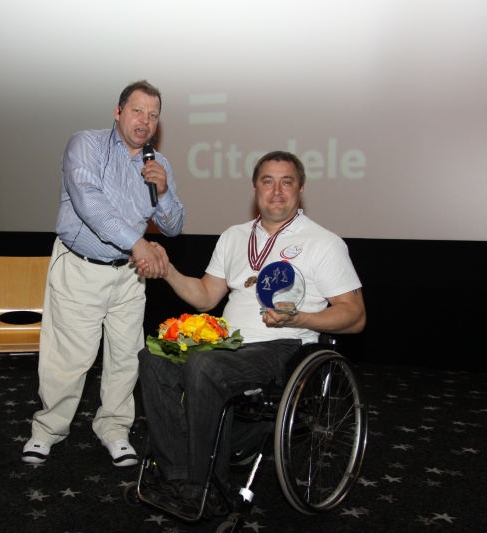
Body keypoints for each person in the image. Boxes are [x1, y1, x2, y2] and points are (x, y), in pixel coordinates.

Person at [135, 150, 365, 519]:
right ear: (255, 188)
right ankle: (177, 475)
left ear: (300, 190)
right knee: (154, 357)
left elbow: (355, 316)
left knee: (204, 366)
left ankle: (203, 488)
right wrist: (168, 271)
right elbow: (207, 297)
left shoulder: (323, 243)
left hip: (284, 348)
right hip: (227, 344)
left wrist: (300, 317)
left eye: (286, 182)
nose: (277, 191)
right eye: (267, 182)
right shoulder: (234, 236)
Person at [22, 80, 185, 468]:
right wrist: (138, 243)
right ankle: (48, 430)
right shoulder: (86, 145)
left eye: (153, 115)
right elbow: (88, 202)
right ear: (118, 111)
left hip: (129, 275)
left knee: (126, 358)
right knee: (69, 358)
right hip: (81, 267)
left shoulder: (159, 165)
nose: (145, 120)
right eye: (137, 110)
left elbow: (175, 226)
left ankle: (114, 429)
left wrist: (163, 193)